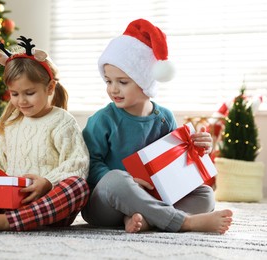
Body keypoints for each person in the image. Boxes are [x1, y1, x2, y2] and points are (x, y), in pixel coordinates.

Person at [81, 19, 233, 234]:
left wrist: (199, 148)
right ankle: (183, 222)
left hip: (153, 198)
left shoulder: (164, 117)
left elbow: (175, 163)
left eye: (122, 82)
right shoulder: (102, 119)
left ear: (145, 81)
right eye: (108, 81)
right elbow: (90, 165)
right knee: (116, 180)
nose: (113, 89)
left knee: (205, 194)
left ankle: (147, 219)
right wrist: (130, 182)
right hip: (107, 203)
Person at [0, 36, 90, 233]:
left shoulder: (62, 121)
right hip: (10, 201)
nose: (21, 101)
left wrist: (47, 182)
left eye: (29, 93)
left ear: (49, 88)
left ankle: (5, 222)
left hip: (49, 207)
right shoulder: (11, 123)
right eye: (15, 94)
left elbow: (78, 164)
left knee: (78, 186)